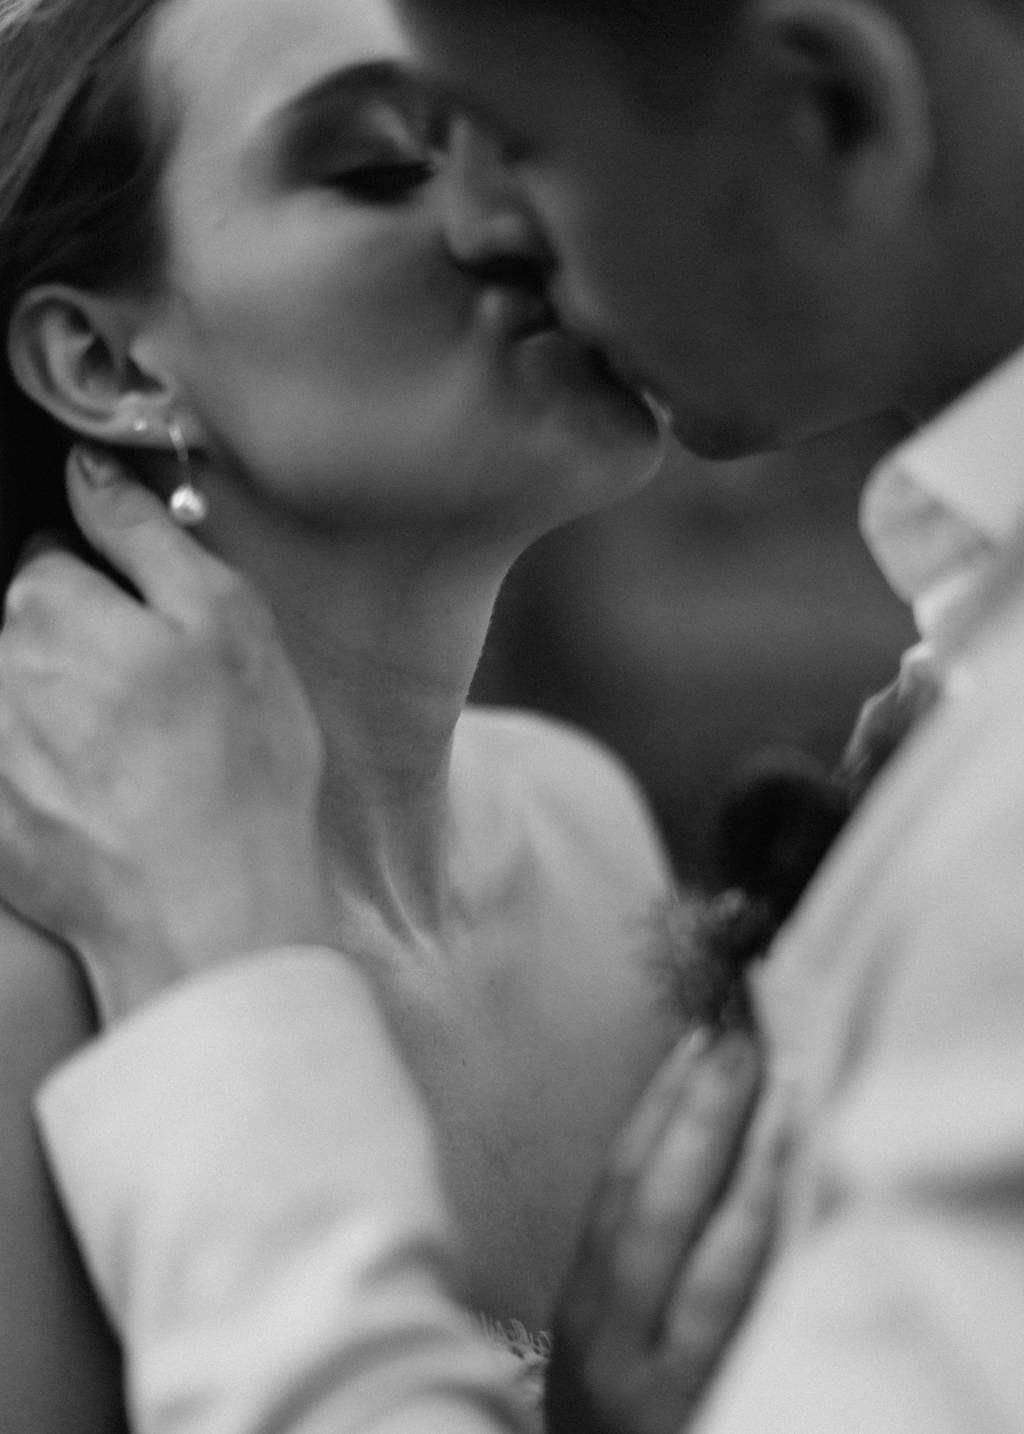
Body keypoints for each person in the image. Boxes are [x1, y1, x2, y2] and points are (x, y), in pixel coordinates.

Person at [7, 0, 1024, 1429]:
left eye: (517, 135)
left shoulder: (584, 823)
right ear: (108, 365)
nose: (505, 226)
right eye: (379, 164)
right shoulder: (28, 986)